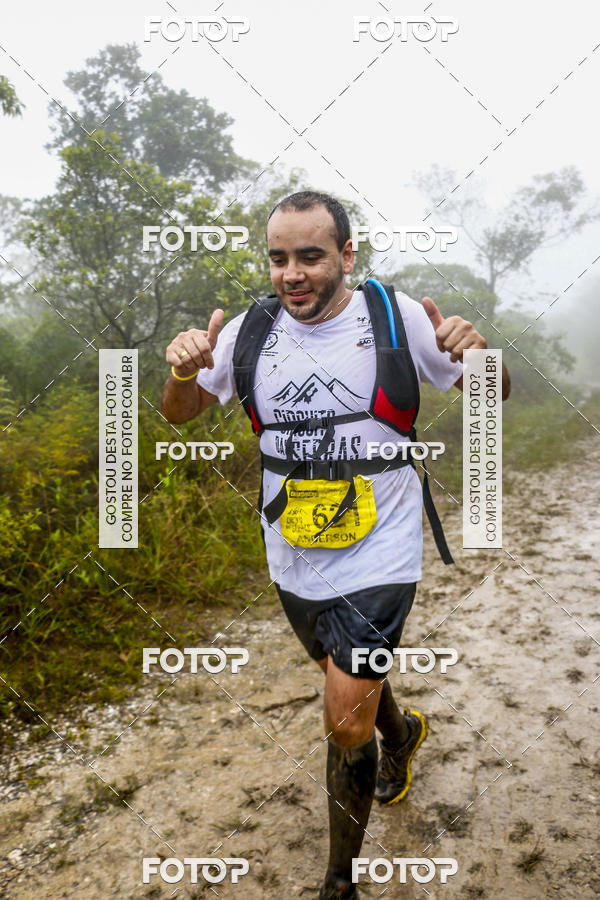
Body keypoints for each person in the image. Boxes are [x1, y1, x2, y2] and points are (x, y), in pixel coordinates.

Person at [161, 191, 511, 899]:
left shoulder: (396, 316)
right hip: (291, 542)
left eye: (311, 256)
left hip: (381, 541)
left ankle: (339, 884)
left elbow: (492, 396)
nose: (293, 274)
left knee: (344, 709)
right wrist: (181, 368)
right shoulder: (252, 328)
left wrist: (480, 358)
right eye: (279, 258)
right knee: (342, 673)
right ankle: (403, 731)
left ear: (347, 256)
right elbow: (181, 416)